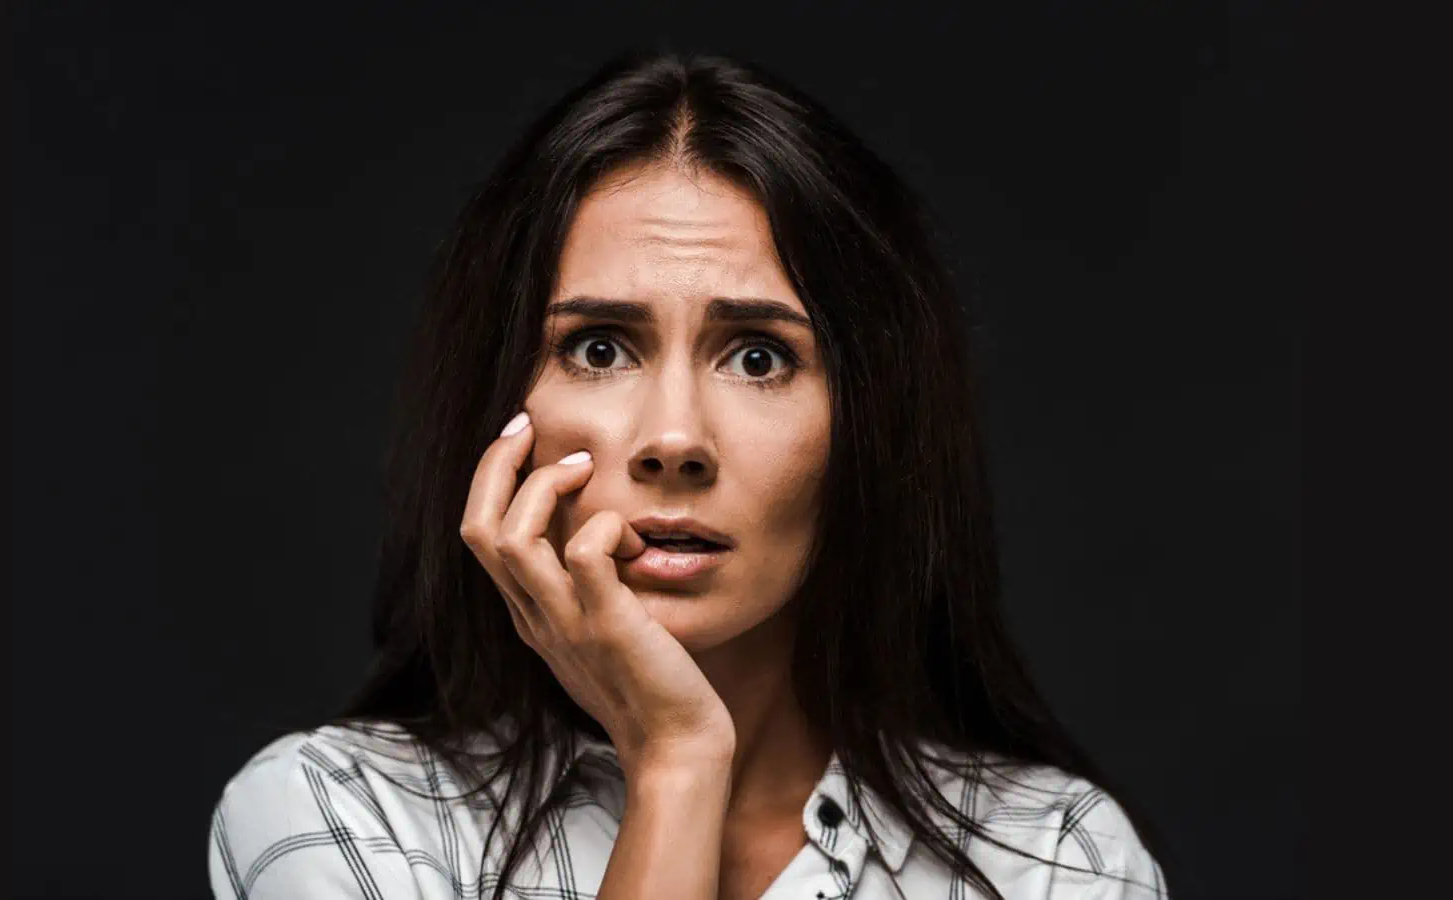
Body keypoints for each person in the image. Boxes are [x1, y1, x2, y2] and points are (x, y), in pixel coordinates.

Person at [207, 47, 1170, 900]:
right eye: (598, 348)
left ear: (870, 426)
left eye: (758, 356)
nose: (674, 439)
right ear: (501, 408)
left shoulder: (1049, 864)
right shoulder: (345, 821)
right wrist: (676, 761)